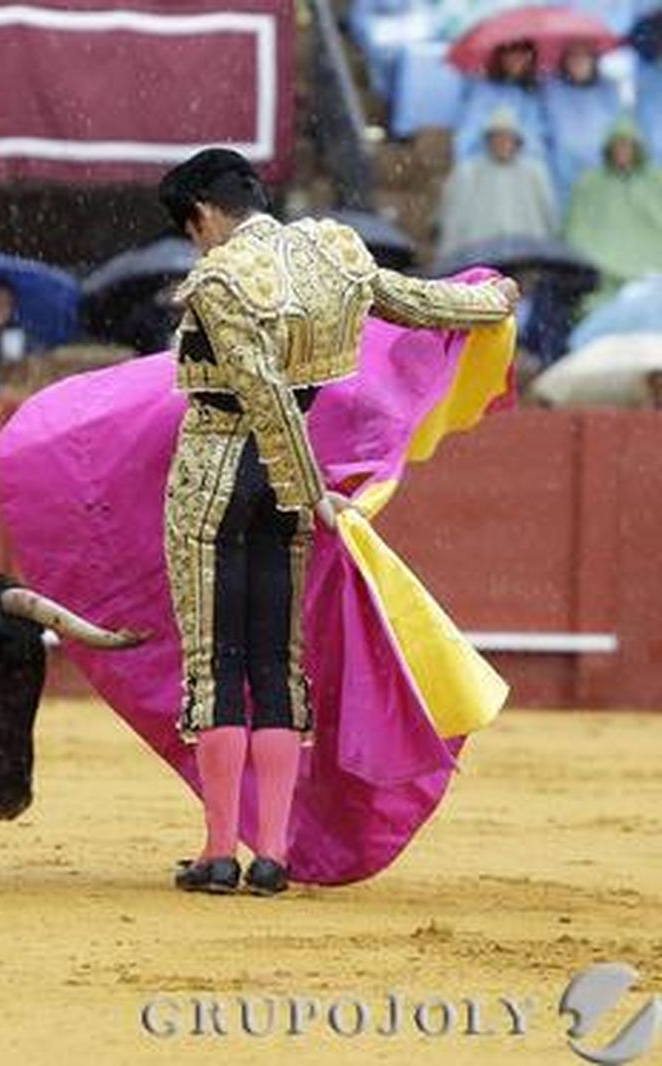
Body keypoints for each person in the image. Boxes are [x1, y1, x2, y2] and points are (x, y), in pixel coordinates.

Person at [154, 149, 517, 896]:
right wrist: (491, 303)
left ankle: (221, 852)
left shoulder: (220, 278)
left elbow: (261, 392)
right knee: (273, 660)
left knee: (216, 661)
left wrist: (312, 488)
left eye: (192, 230)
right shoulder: (333, 252)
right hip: (285, 492)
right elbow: (415, 302)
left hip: (217, 480)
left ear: (202, 216)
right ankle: (276, 854)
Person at [563, 118, 662, 310]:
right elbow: (576, 230)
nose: (622, 152)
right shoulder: (590, 183)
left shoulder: (655, 181)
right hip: (602, 281)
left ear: (637, 148)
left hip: (651, 276)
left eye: (628, 145)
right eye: (618, 145)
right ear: (609, 147)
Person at [436, 106, 557, 258]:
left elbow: (548, 216)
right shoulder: (468, 172)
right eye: (497, 137)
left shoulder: (535, 173)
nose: (503, 143)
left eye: (508, 138)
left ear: (517, 141)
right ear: (488, 140)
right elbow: (452, 220)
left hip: (524, 253)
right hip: (478, 253)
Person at [542, 41, 622, 208]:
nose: (578, 62)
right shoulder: (551, 90)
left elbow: (621, 131)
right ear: (564, 62)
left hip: (604, 177)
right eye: (572, 57)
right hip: (562, 180)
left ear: (594, 60)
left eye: (584, 57)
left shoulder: (609, 90)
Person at [453, 39, 550, 162]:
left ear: (530, 58)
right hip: (485, 165)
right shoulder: (483, 90)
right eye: (510, 52)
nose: (516, 59)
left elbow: (536, 138)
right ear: (500, 56)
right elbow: (467, 136)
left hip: (522, 168)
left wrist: (520, 156)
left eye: (523, 53)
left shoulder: (534, 95)